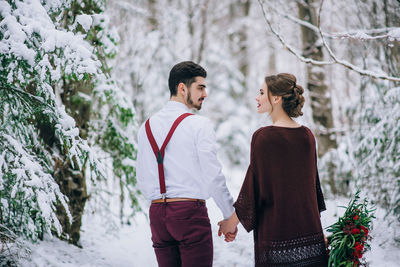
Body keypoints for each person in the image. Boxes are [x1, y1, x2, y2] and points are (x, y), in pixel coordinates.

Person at [218, 73, 328, 266]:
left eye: (262, 93)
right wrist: (318, 233)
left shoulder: (263, 138)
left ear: (276, 98)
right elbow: (311, 189)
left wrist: (230, 223)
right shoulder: (307, 135)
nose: (257, 97)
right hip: (311, 241)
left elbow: (253, 191)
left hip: (277, 242)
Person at [136, 61, 235, 267]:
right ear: (182, 88)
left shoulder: (146, 126)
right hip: (190, 214)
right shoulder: (199, 124)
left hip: (157, 215)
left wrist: (161, 203)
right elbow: (213, 176)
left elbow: (143, 178)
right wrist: (229, 216)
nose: (205, 93)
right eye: (200, 87)